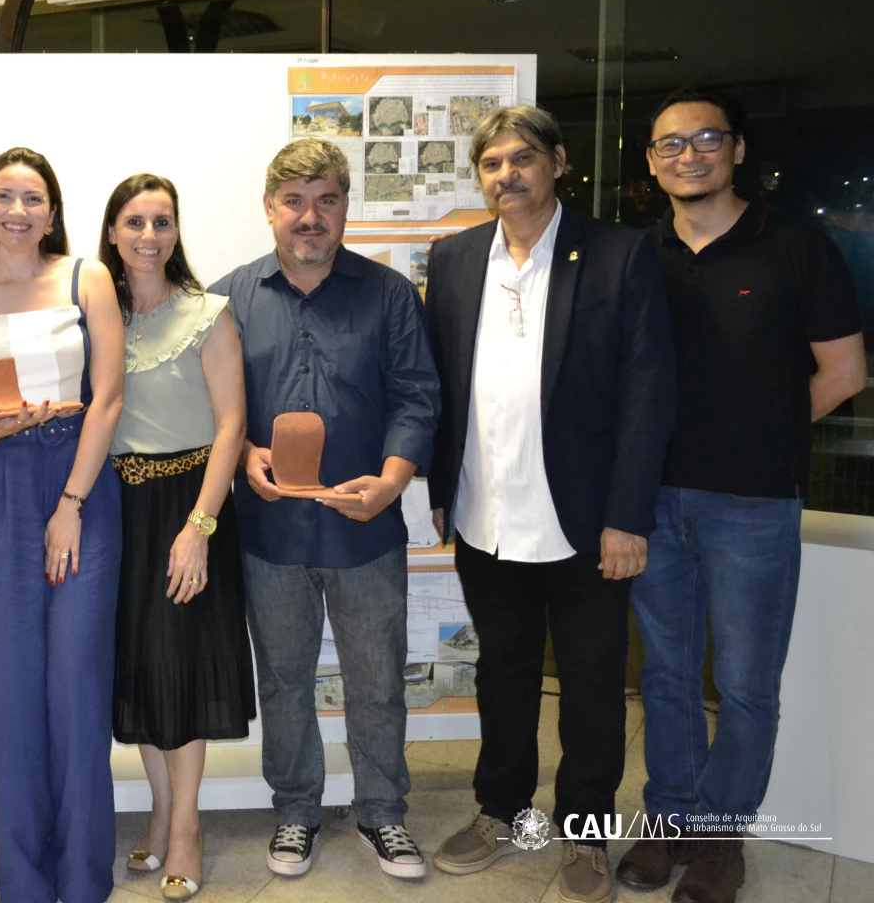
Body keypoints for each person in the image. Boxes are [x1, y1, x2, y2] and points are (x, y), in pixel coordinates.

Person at [616, 88, 864, 903]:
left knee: (748, 684)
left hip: (753, 505)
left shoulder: (795, 244)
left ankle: (721, 837)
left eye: (706, 138)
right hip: (653, 502)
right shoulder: (638, 255)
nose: (688, 155)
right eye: (670, 144)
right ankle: (671, 818)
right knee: (667, 675)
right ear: (652, 163)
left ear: (738, 150)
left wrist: (763, 433)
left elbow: (844, 372)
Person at [424, 105, 676, 903]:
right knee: (502, 673)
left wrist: (628, 516)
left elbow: (648, 394)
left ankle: (585, 832)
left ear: (558, 163)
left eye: (523, 158)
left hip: (585, 523)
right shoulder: (454, 258)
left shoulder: (619, 254)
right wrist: (441, 487)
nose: (508, 174)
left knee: (594, 686)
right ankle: (501, 811)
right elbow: (439, 384)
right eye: (493, 163)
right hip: (485, 516)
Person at [209, 138, 439, 882]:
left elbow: (417, 397)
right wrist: (244, 454)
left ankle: (382, 812)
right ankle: (296, 809)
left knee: (377, 678)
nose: (310, 217)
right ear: (269, 208)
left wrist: (393, 481)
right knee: (284, 679)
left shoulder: (390, 294)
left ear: (344, 207)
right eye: (294, 202)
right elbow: (212, 409)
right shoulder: (227, 299)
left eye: (326, 201)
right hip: (269, 531)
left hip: (365, 529)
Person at [0, 147, 124, 903]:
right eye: (5, 197)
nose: (18, 211)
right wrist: (5, 422)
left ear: (52, 211)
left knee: (77, 684)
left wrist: (71, 504)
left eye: (33, 198)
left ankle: (82, 876)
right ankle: (22, 879)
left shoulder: (88, 278)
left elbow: (108, 399)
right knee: (4, 689)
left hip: (83, 486)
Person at [98, 174, 256, 901]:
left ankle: (187, 825)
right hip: (120, 509)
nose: (149, 235)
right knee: (138, 668)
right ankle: (161, 811)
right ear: (112, 231)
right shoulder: (96, 316)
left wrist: (199, 527)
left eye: (162, 221)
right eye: (135, 221)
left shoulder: (208, 312)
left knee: (181, 669)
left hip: (189, 506)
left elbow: (232, 424)